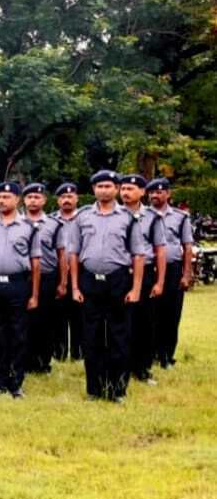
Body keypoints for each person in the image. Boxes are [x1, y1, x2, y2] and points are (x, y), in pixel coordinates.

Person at [66, 170, 146, 402]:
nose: (103, 190)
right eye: (99, 186)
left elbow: (138, 255)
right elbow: (73, 254)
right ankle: (94, 389)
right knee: (91, 337)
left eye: (108, 186)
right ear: (93, 189)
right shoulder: (82, 217)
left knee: (119, 336)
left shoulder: (128, 218)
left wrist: (136, 289)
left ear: (116, 189)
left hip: (118, 281)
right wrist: (75, 287)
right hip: (90, 281)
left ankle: (117, 389)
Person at [0, 182, 41, 398]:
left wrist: (34, 294)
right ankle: (0, 382)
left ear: (17, 200)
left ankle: (16, 383)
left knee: (18, 334)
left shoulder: (29, 228)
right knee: (0, 334)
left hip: (18, 285)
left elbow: (35, 263)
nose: (1, 201)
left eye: (6, 197)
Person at [119, 174, 166, 385]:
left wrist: (159, 282)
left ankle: (142, 368)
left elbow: (160, 251)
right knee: (120, 322)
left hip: (145, 273)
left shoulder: (153, 218)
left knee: (144, 322)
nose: (125, 193)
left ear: (142, 192)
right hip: (120, 274)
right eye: (123, 189)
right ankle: (121, 366)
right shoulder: (114, 215)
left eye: (130, 189)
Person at [147, 178, 193, 369]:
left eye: (159, 192)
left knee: (171, 314)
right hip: (150, 270)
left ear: (168, 194)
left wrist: (186, 274)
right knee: (150, 314)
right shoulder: (143, 215)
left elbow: (187, 247)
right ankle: (149, 354)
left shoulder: (180, 217)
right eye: (152, 192)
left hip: (172, 269)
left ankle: (166, 356)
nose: (155, 196)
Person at [22, 183, 67, 374]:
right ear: (23, 200)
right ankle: (24, 361)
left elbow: (62, 255)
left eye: (37, 197)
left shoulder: (54, 225)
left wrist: (63, 282)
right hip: (23, 279)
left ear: (44, 200)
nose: (33, 201)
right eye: (29, 197)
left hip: (47, 278)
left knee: (46, 322)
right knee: (23, 322)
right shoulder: (17, 223)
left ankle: (43, 363)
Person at [52, 182, 83, 361]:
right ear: (58, 200)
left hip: (81, 271)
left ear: (77, 198)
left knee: (79, 313)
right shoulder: (51, 221)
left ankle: (78, 353)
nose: (66, 200)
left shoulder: (84, 218)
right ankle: (60, 352)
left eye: (70, 196)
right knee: (59, 314)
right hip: (58, 272)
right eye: (63, 197)